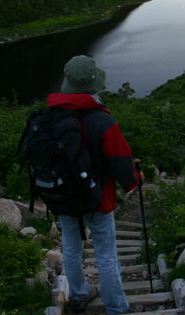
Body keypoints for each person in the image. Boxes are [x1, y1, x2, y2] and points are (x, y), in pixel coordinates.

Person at [48, 55, 141, 314]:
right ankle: (116, 307)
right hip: (99, 198)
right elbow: (120, 160)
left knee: (71, 246)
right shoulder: (102, 120)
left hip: (64, 196)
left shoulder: (52, 117)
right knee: (106, 253)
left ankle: (79, 294)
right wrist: (133, 180)